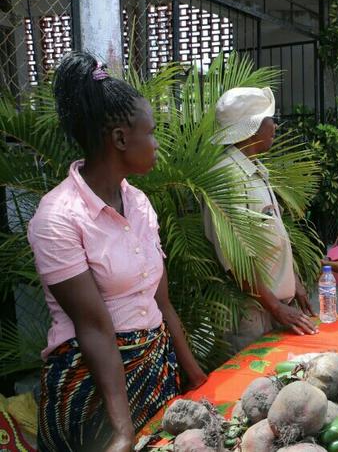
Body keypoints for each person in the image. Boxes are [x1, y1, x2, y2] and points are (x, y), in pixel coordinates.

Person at [27, 52, 206, 451]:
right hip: (93, 391)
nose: (158, 144)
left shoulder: (139, 203)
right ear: (121, 139)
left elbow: (161, 303)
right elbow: (94, 329)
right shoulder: (57, 218)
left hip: (155, 372)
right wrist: (121, 431)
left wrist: (194, 375)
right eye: (152, 131)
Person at [203, 87, 317, 348]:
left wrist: (293, 283)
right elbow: (238, 259)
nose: (274, 126)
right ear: (251, 127)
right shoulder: (227, 176)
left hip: (271, 307)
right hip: (252, 315)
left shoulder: (252, 168)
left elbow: (270, 236)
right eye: (269, 119)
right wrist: (275, 306)